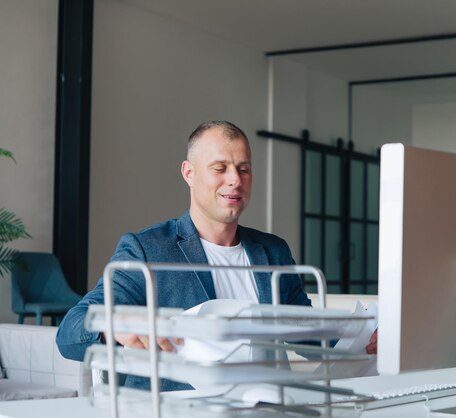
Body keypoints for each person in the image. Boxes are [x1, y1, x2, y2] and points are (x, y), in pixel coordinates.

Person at [56, 120, 377, 391]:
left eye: (244, 169)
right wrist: (113, 325)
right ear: (189, 173)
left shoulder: (273, 251)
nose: (235, 180)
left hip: (263, 408)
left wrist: (364, 340)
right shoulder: (147, 250)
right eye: (219, 168)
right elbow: (69, 334)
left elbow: (306, 332)